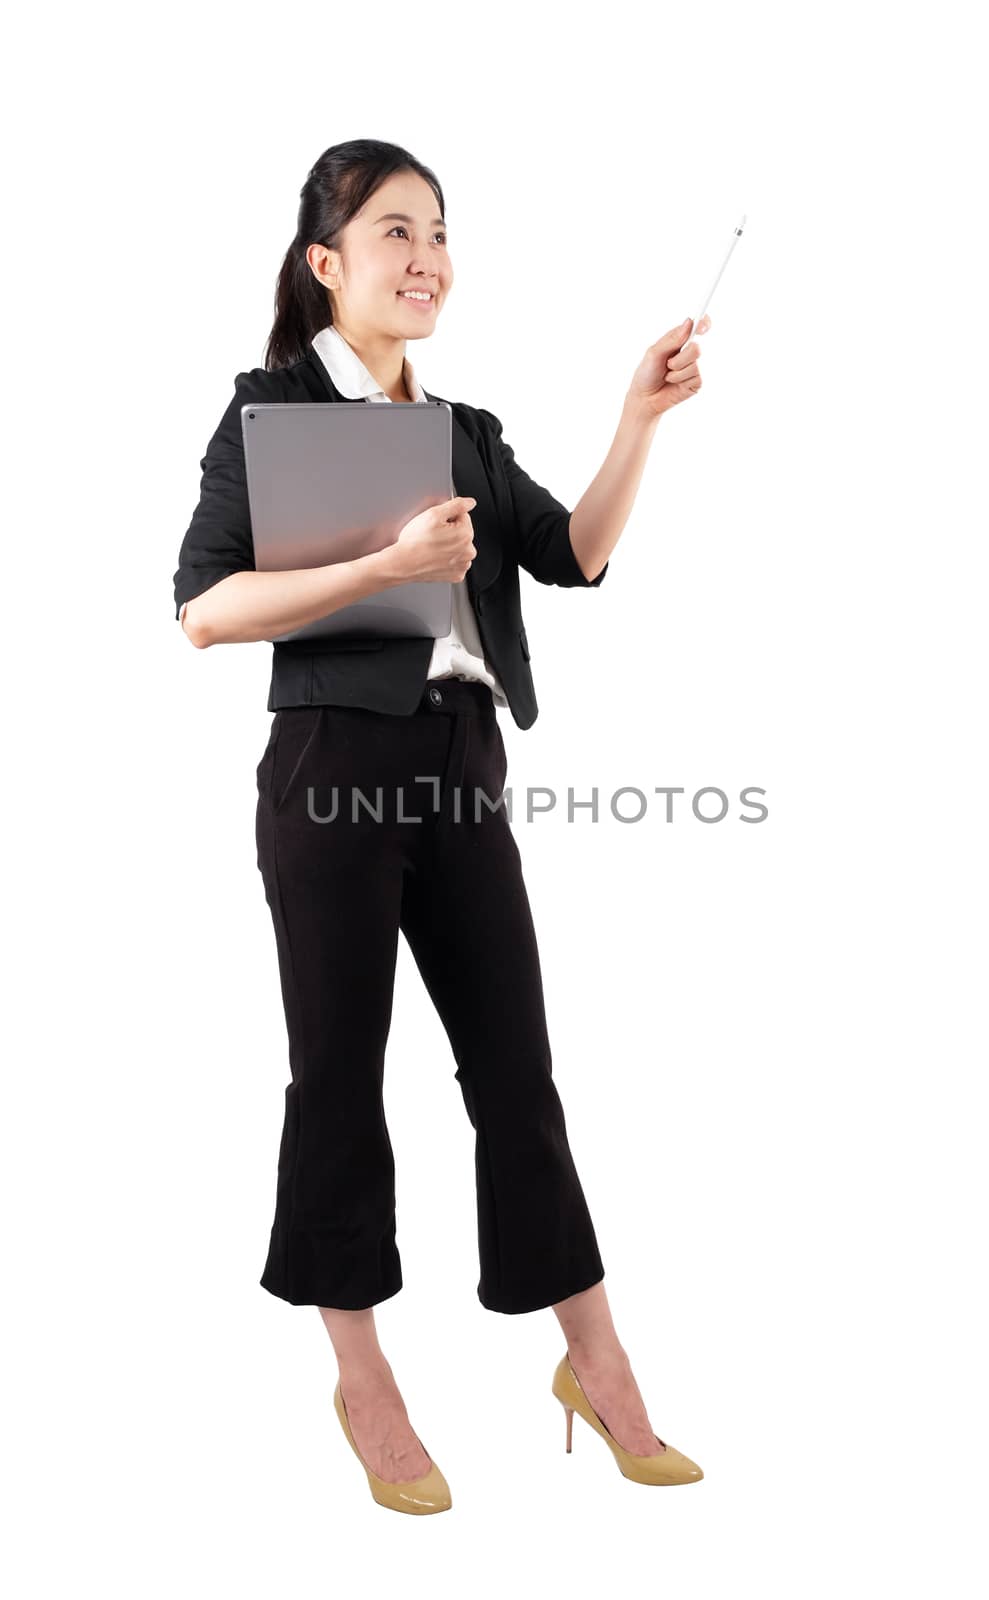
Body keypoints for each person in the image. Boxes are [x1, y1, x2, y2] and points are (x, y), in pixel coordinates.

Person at [173, 139, 710, 1513]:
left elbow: (576, 554)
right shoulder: (269, 409)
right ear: (325, 266)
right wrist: (382, 567)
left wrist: (637, 418)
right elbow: (203, 609)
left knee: (516, 1074)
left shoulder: (465, 426)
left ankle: (597, 1363)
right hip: (330, 769)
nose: (427, 259)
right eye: (395, 233)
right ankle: (365, 1381)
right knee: (337, 1083)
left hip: (462, 767)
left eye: (441, 234)